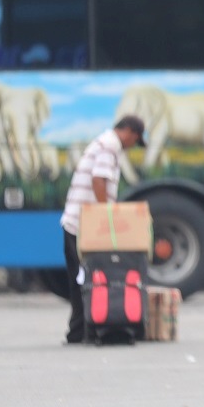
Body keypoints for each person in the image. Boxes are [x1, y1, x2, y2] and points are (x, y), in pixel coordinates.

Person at [59, 115, 146, 344]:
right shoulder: (110, 146)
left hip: (77, 223)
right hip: (83, 227)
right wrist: (106, 216)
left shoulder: (102, 142)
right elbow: (99, 180)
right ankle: (83, 332)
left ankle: (78, 332)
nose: (131, 146)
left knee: (80, 280)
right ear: (129, 132)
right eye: (134, 140)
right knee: (86, 280)